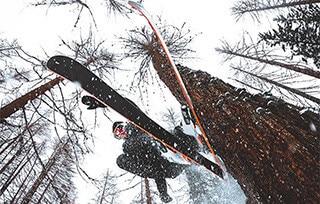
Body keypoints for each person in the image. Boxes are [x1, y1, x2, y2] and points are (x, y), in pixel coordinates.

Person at [82, 96, 198, 203]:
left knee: (176, 131)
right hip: (168, 167)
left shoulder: (137, 124)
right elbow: (157, 173)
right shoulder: (130, 148)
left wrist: (103, 101)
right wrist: (163, 193)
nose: (121, 132)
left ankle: (190, 133)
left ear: (124, 124)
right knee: (121, 158)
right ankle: (172, 154)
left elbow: (127, 105)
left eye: (120, 128)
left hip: (166, 144)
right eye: (118, 134)